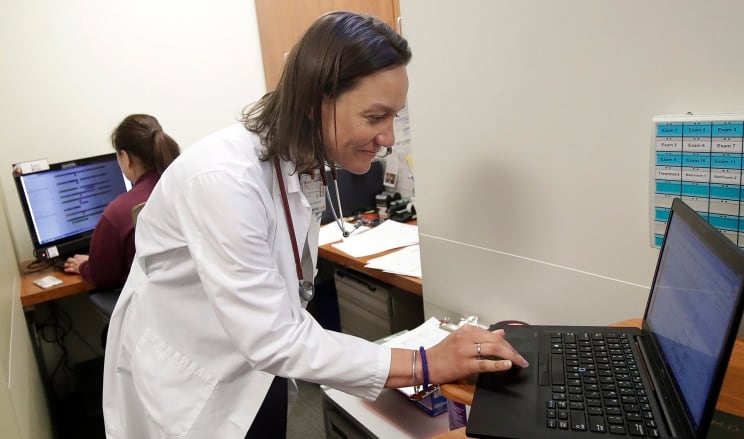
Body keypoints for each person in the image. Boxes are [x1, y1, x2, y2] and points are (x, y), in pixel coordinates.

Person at [102, 11, 528, 439]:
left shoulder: (304, 159)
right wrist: (425, 362)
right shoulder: (222, 180)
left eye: (394, 117)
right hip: (192, 384)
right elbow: (272, 338)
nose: (389, 138)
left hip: (255, 364)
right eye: (375, 117)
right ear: (314, 101)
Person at [63, 114, 180, 289]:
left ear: (125, 157)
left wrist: (84, 266)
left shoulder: (119, 211)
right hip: (197, 298)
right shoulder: (184, 186)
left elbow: (103, 277)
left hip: (152, 304)